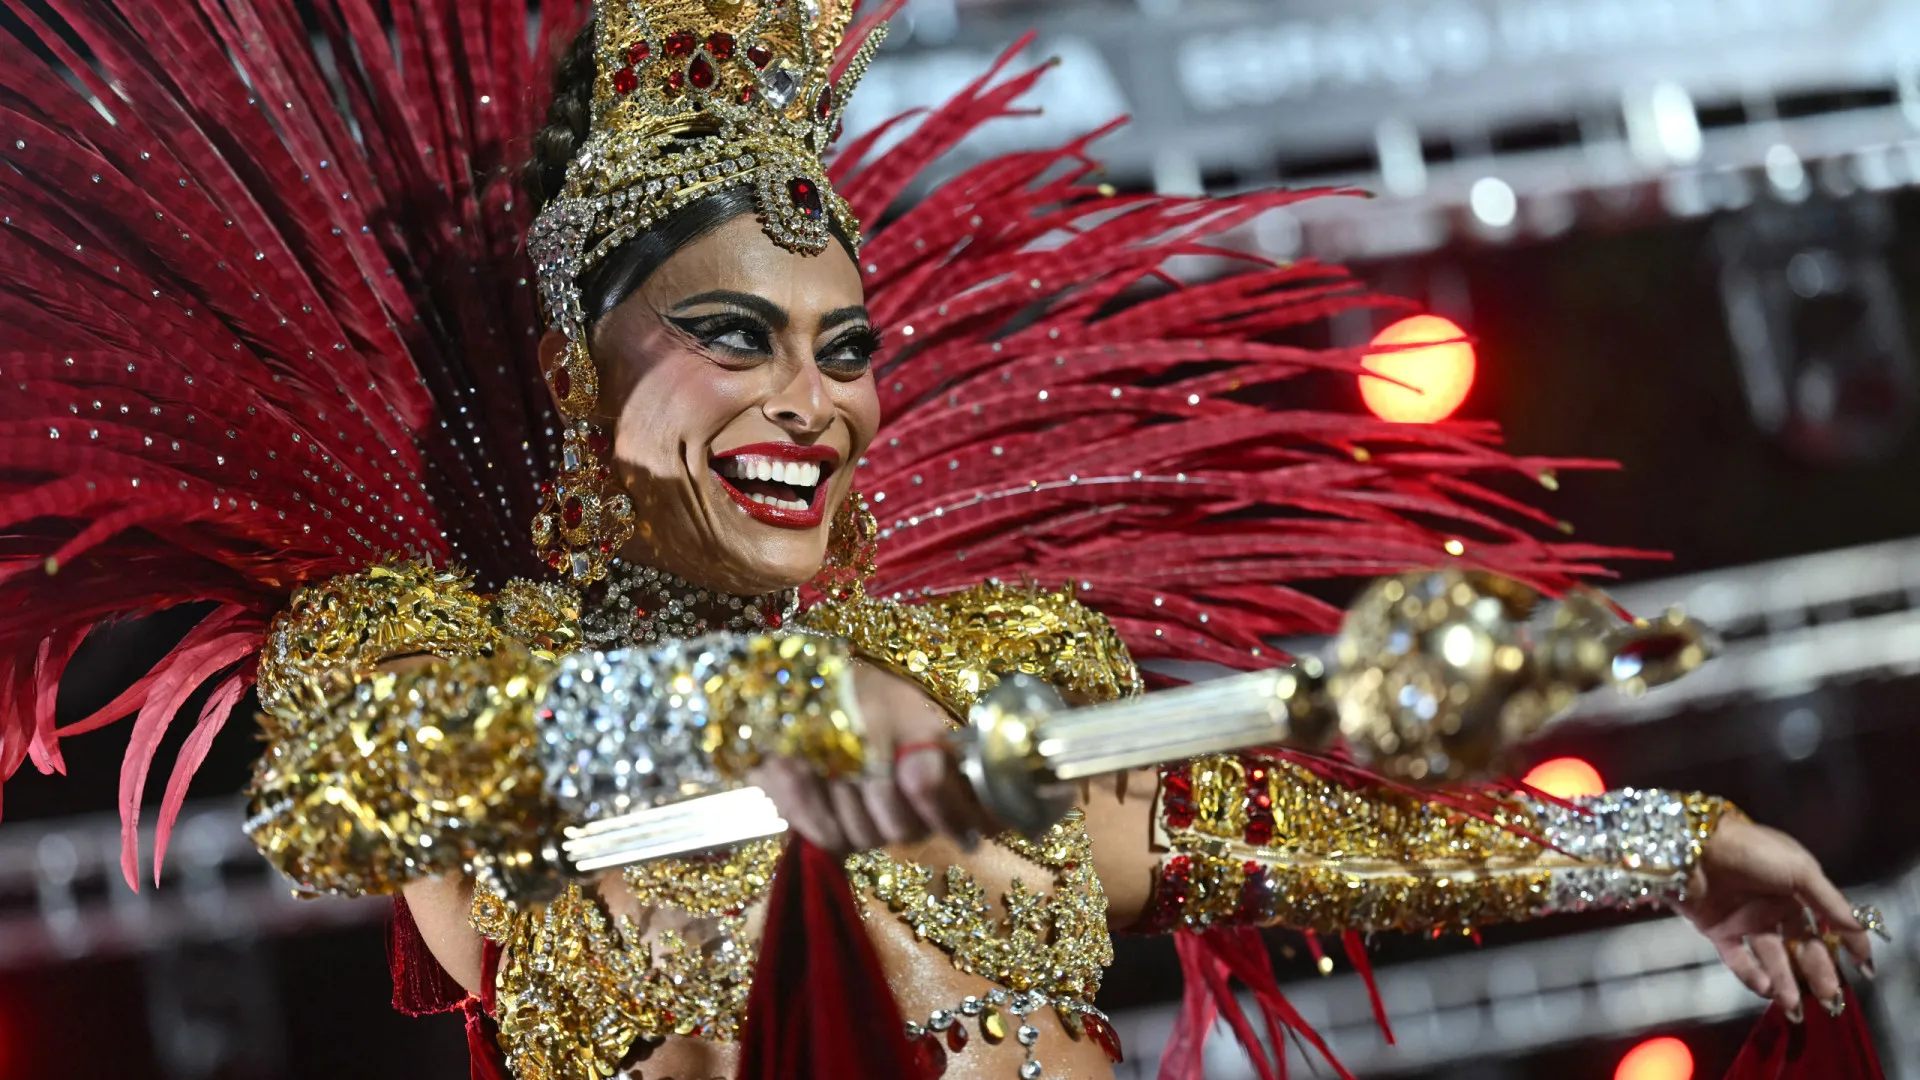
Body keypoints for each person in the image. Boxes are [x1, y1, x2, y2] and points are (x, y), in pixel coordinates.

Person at [0, 2, 1882, 1078]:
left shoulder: (995, 684)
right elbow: (364, 796)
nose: (807, 399)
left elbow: (1300, 829)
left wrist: (1666, 842)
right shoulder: (432, 659)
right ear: (585, 392)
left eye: (842, 351)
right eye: (729, 339)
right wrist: (768, 724)